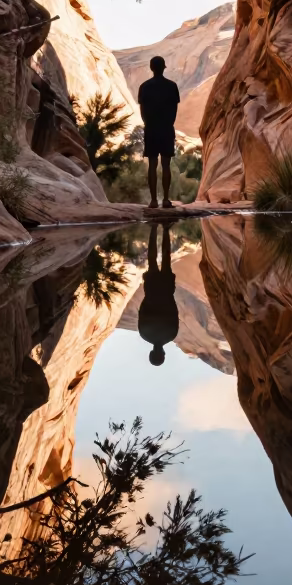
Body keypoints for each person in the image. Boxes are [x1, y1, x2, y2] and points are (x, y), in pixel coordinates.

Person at [138, 55, 180, 209]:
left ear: (151, 68)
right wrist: (168, 124)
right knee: (166, 164)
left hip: (151, 128)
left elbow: (142, 111)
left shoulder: (144, 87)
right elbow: (174, 110)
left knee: (152, 164)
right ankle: (166, 200)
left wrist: (148, 124)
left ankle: (153, 201)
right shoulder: (172, 86)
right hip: (166, 128)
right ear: (164, 68)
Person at [137, 223, 179, 366]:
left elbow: (174, 312)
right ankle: (154, 228)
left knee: (166, 259)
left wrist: (168, 297)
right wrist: (148, 297)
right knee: (152, 260)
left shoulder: (171, 334)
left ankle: (166, 229)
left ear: (162, 354)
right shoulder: (144, 334)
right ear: (151, 353)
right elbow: (142, 312)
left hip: (166, 291)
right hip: (152, 291)